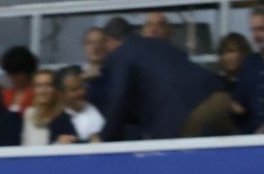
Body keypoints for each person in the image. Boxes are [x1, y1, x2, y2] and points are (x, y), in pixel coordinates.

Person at [96, 18, 234, 141]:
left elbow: (118, 98)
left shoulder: (120, 55)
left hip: (186, 117)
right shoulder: (156, 43)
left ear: (109, 41)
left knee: (186, 166)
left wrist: (103, 138)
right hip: (219, 98)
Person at [19, 68, 78, 147]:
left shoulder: (65, 117)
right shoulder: (29, 113)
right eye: (38, 86)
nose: (43, 91)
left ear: (55, 88)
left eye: (48, 85)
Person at [60, 70, 104, 143]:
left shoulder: (102, 107)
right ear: (63, 95)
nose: (81, 92)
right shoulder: (59, 122)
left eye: (82, 87)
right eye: (74, 90)